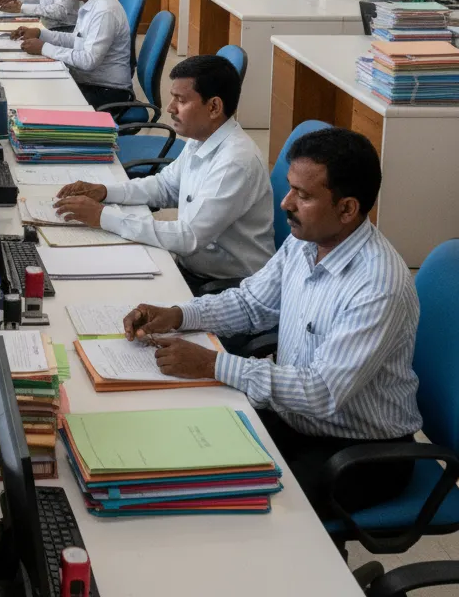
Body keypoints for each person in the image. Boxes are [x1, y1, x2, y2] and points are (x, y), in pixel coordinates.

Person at [122, 128, 421, 518]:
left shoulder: (378, 286)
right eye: (291, 188)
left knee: (259, 510)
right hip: (295, 416)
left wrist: (213, 364)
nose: (285, 203)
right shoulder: (306, 240)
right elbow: (251, 303)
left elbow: (322, 394)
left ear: (347, 209)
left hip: (360, 449)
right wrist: (179, 314)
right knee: (192, 454)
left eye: (304, 195)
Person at [54, 55, 274, 290]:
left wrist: (103, 216)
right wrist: (105, 191)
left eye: (180, 100)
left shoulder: (235, 163)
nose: (170, 108)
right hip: (193, 265)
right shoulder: (201, 138)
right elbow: (165, 186)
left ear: (214, 107)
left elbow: (188, 237)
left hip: (225, 285)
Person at [13, 0, 132, 110]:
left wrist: (43, 48)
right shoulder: (90, 1)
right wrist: (40, 34)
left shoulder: (105, 11)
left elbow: (88, 60)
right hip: (92, 82)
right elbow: (77, 41)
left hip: (108, 92)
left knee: (41, 103)